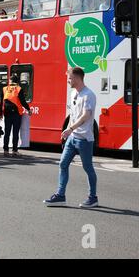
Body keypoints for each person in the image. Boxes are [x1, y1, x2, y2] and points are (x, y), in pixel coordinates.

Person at [44, 67, 98, 208]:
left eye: (69, 78)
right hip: (72, 138)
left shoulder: (88, 95)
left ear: (77, 78)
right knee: (63, 164)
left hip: (84, 139)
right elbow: (72, 115)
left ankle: (93, 198)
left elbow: (85, 116)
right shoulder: (73, 92)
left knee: (88, 168)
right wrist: (67, 130)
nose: (68, 81)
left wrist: (70, 129)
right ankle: (60, 196)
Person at [0, 74, 32, 157]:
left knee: (7, 133)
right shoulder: (18, 89)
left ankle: (5, 150)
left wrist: (0, 114)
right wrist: (28, 109)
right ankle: (14, 150)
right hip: (16, 114)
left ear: (10, 81)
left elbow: (1, 103)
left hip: (7, 114)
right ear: (17, 81)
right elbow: (23, 102)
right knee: (15, 132)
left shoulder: (5, 89)